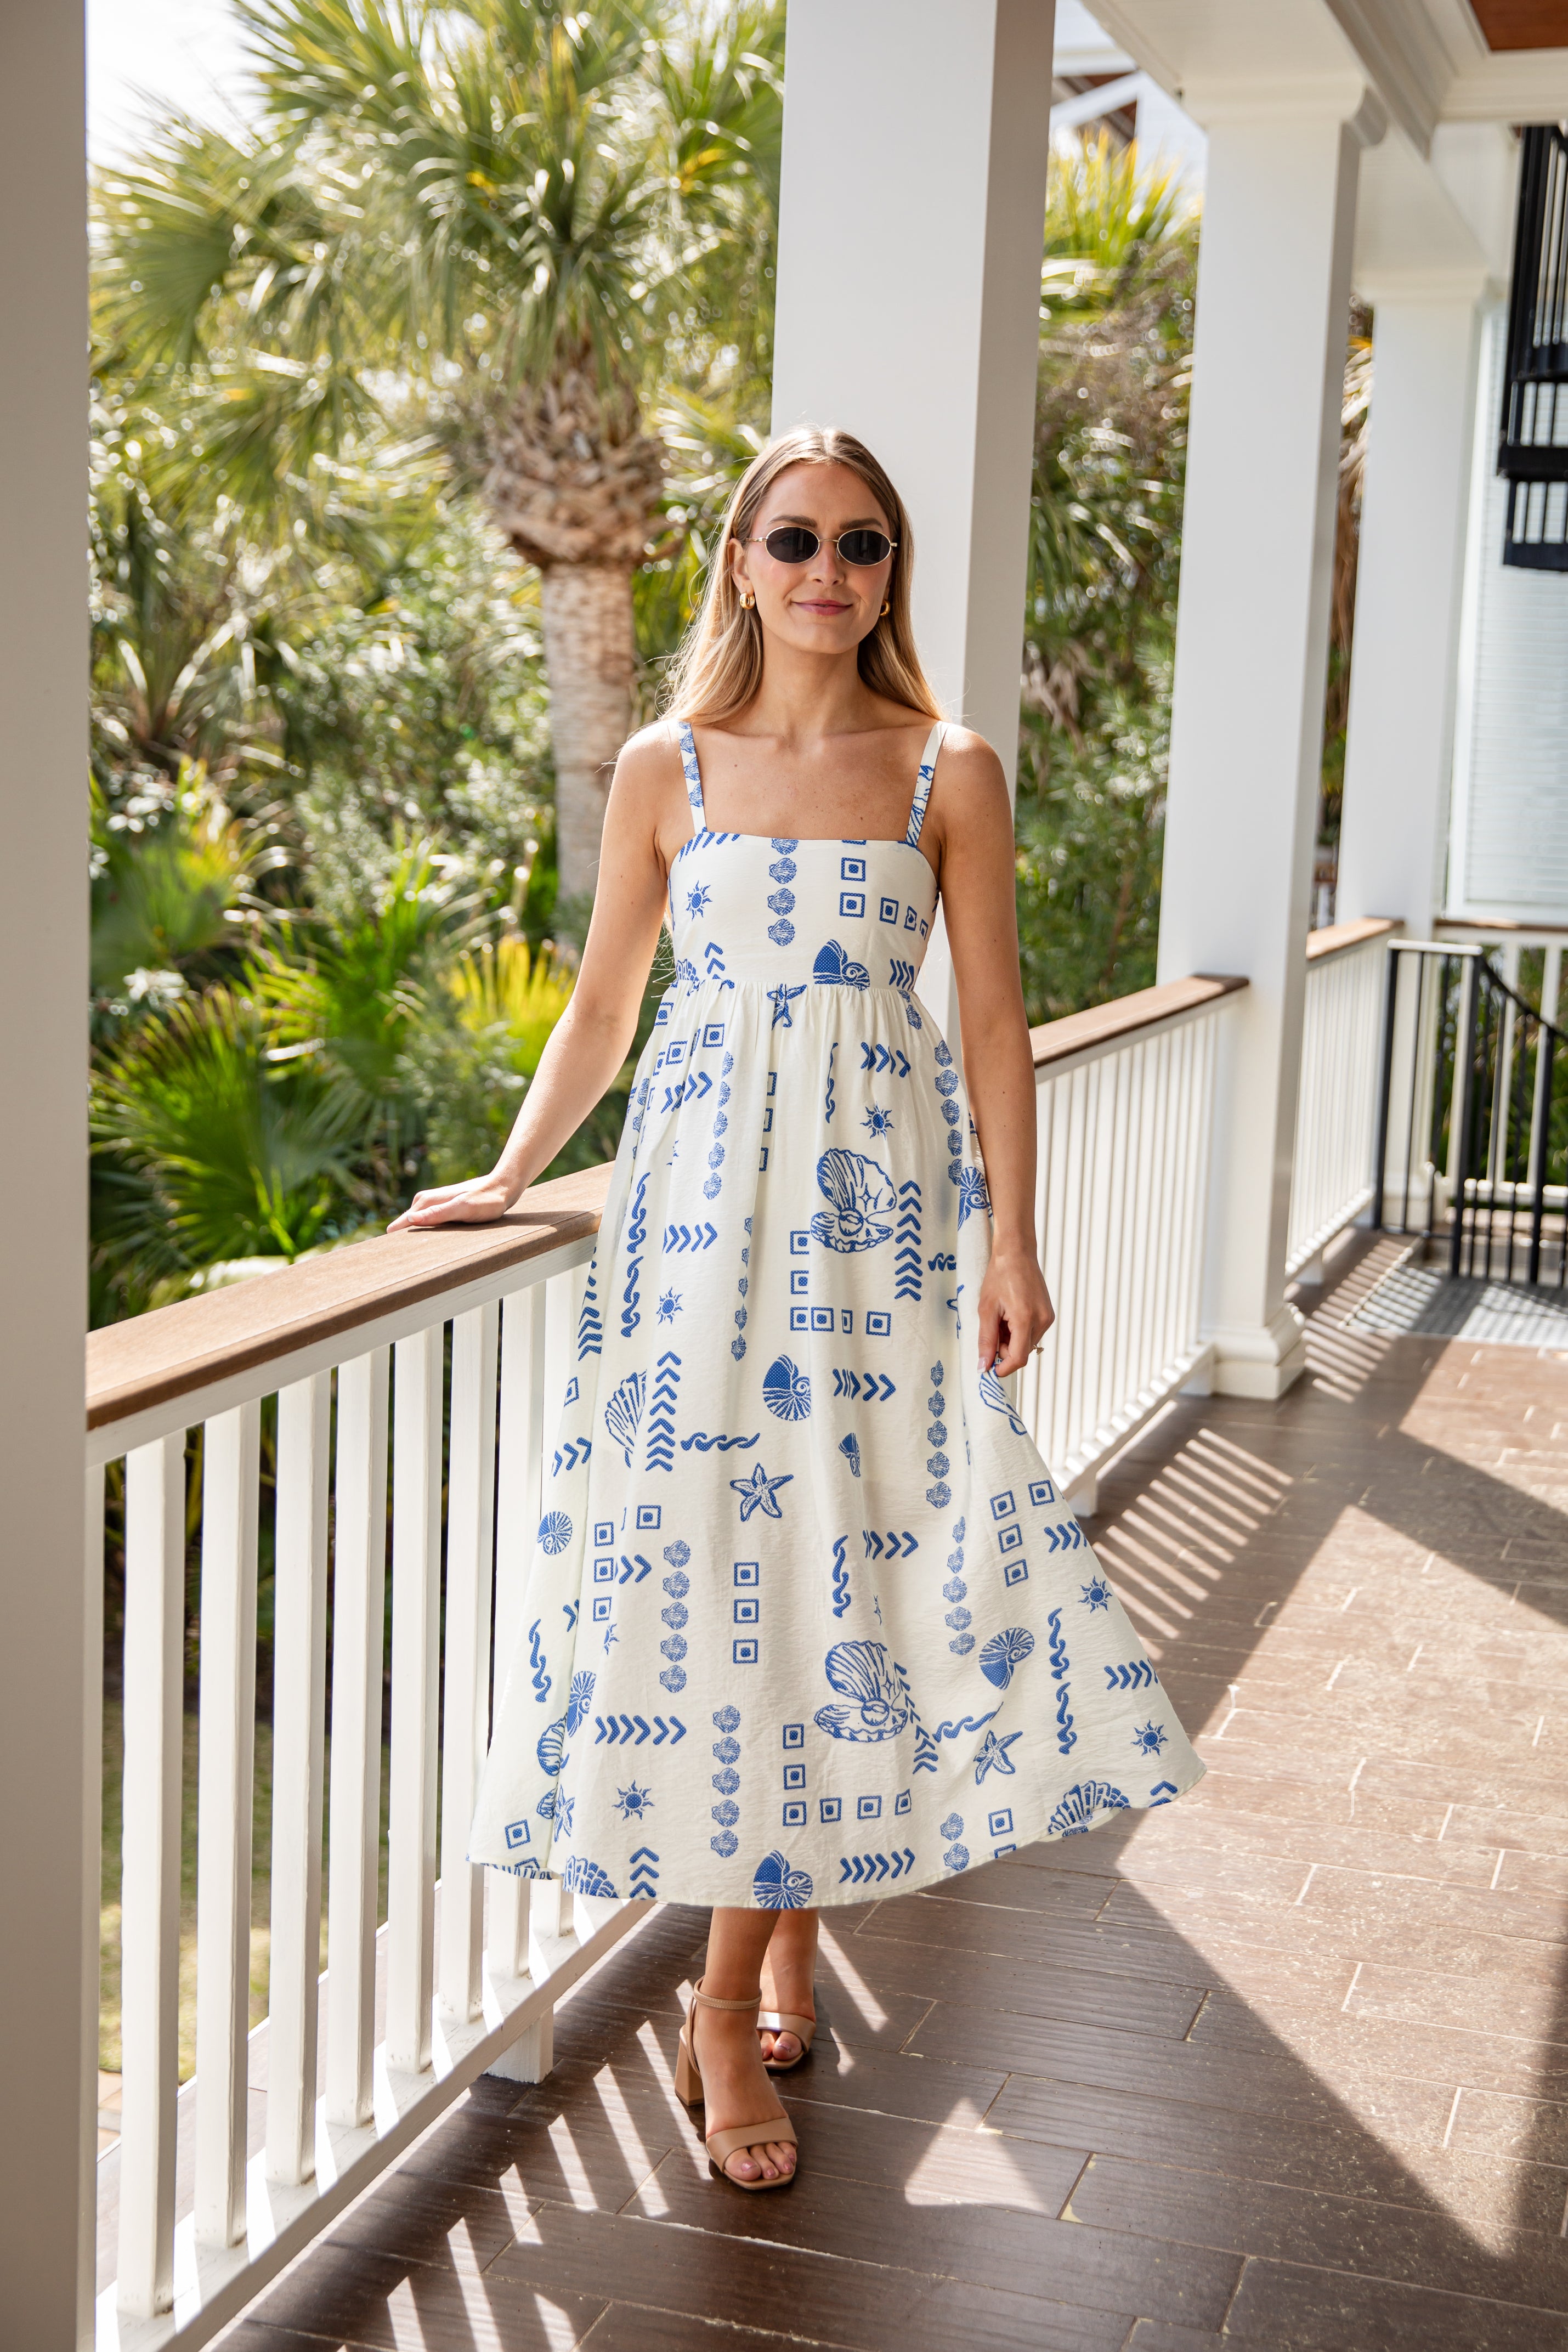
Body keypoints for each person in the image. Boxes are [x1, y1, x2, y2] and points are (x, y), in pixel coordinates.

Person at [391, 425, 1203, 2192]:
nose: (825, 571)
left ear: (888, 573)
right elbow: (603, 1011)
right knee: (721, 1593)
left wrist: (1010, 1246)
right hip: (695, 1242)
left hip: (874, 1237)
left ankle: (726, 1983)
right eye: (792, 541)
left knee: (853, 1579)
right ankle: (746, 1975)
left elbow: (992, 1025)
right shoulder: (663, 769)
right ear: (741, 566)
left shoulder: (947, 770)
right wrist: (514, 1175)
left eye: (859, 544)